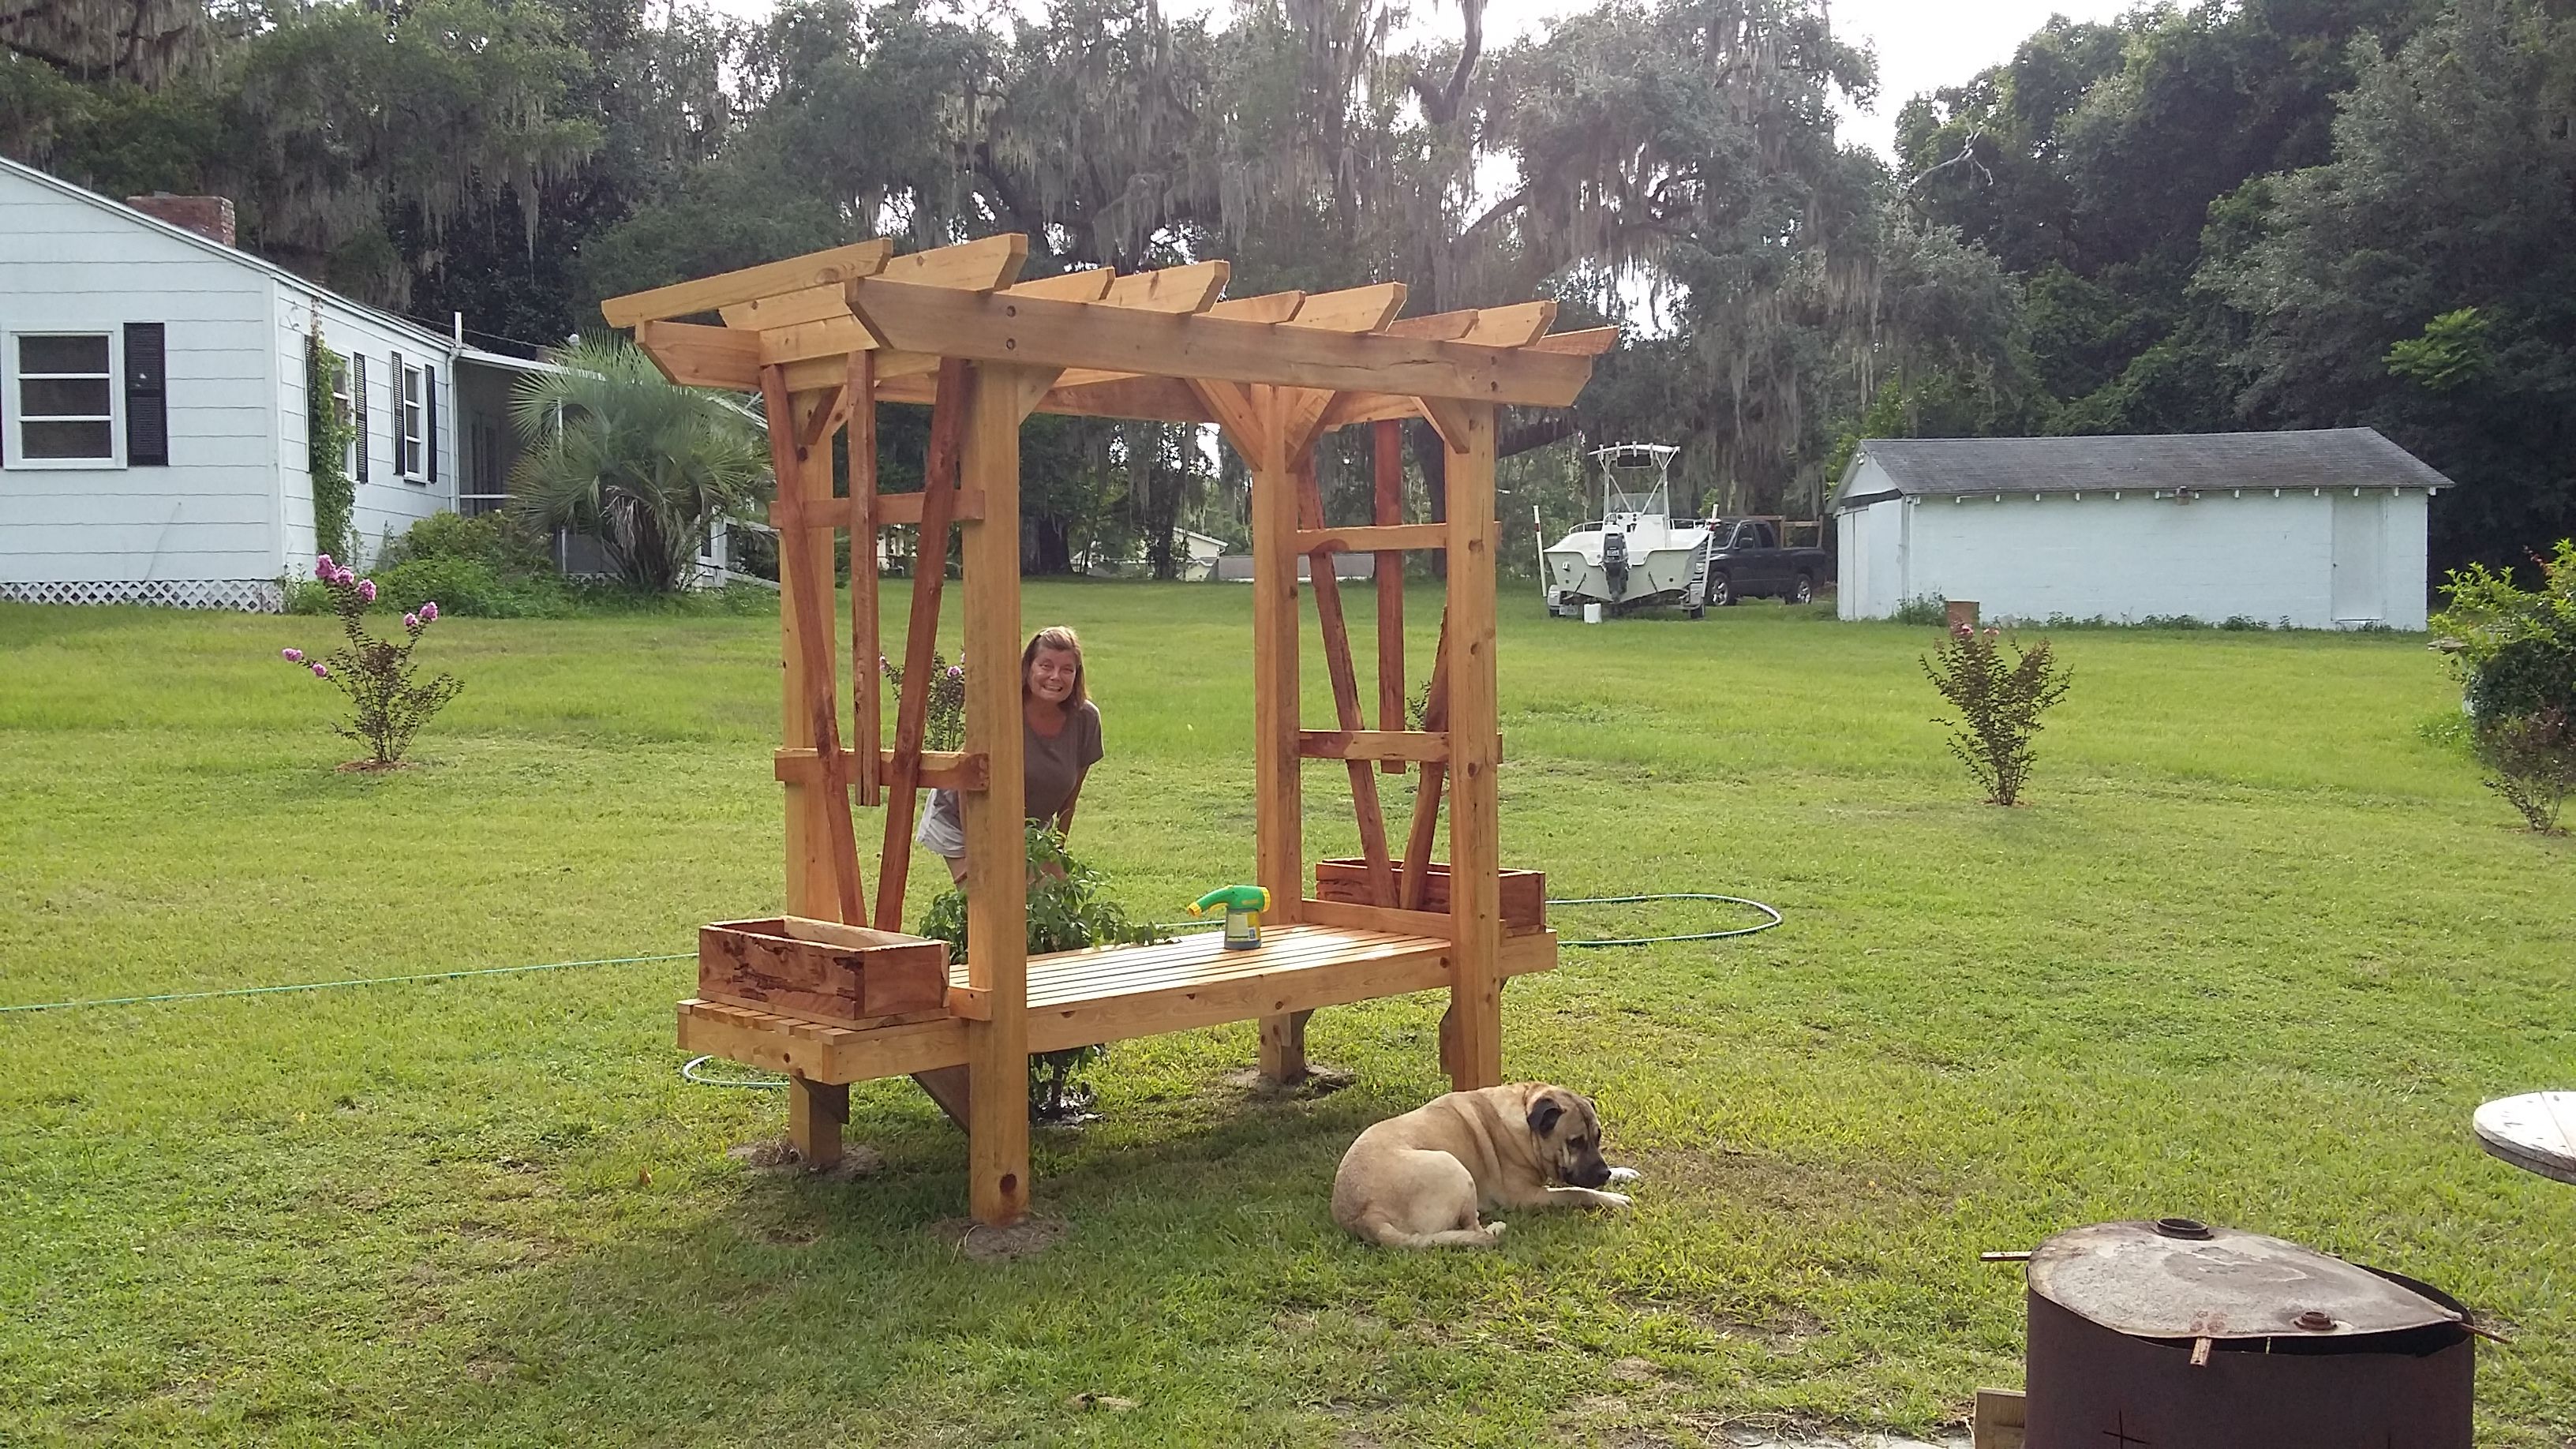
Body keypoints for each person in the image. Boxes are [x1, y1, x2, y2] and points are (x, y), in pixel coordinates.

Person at [917, 626, 1103, 885]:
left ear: (1077, 675)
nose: (1055, 677)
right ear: (1029, 668)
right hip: (962, 820)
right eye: (1046, 665)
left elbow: (1072, 793)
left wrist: (1057, 847)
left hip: (1028, 830)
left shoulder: (1086, 719)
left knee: (1056, 904)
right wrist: (978, 853)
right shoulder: (1004, 710)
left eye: (1067, 669)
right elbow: (966, 779)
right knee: (990, 903)